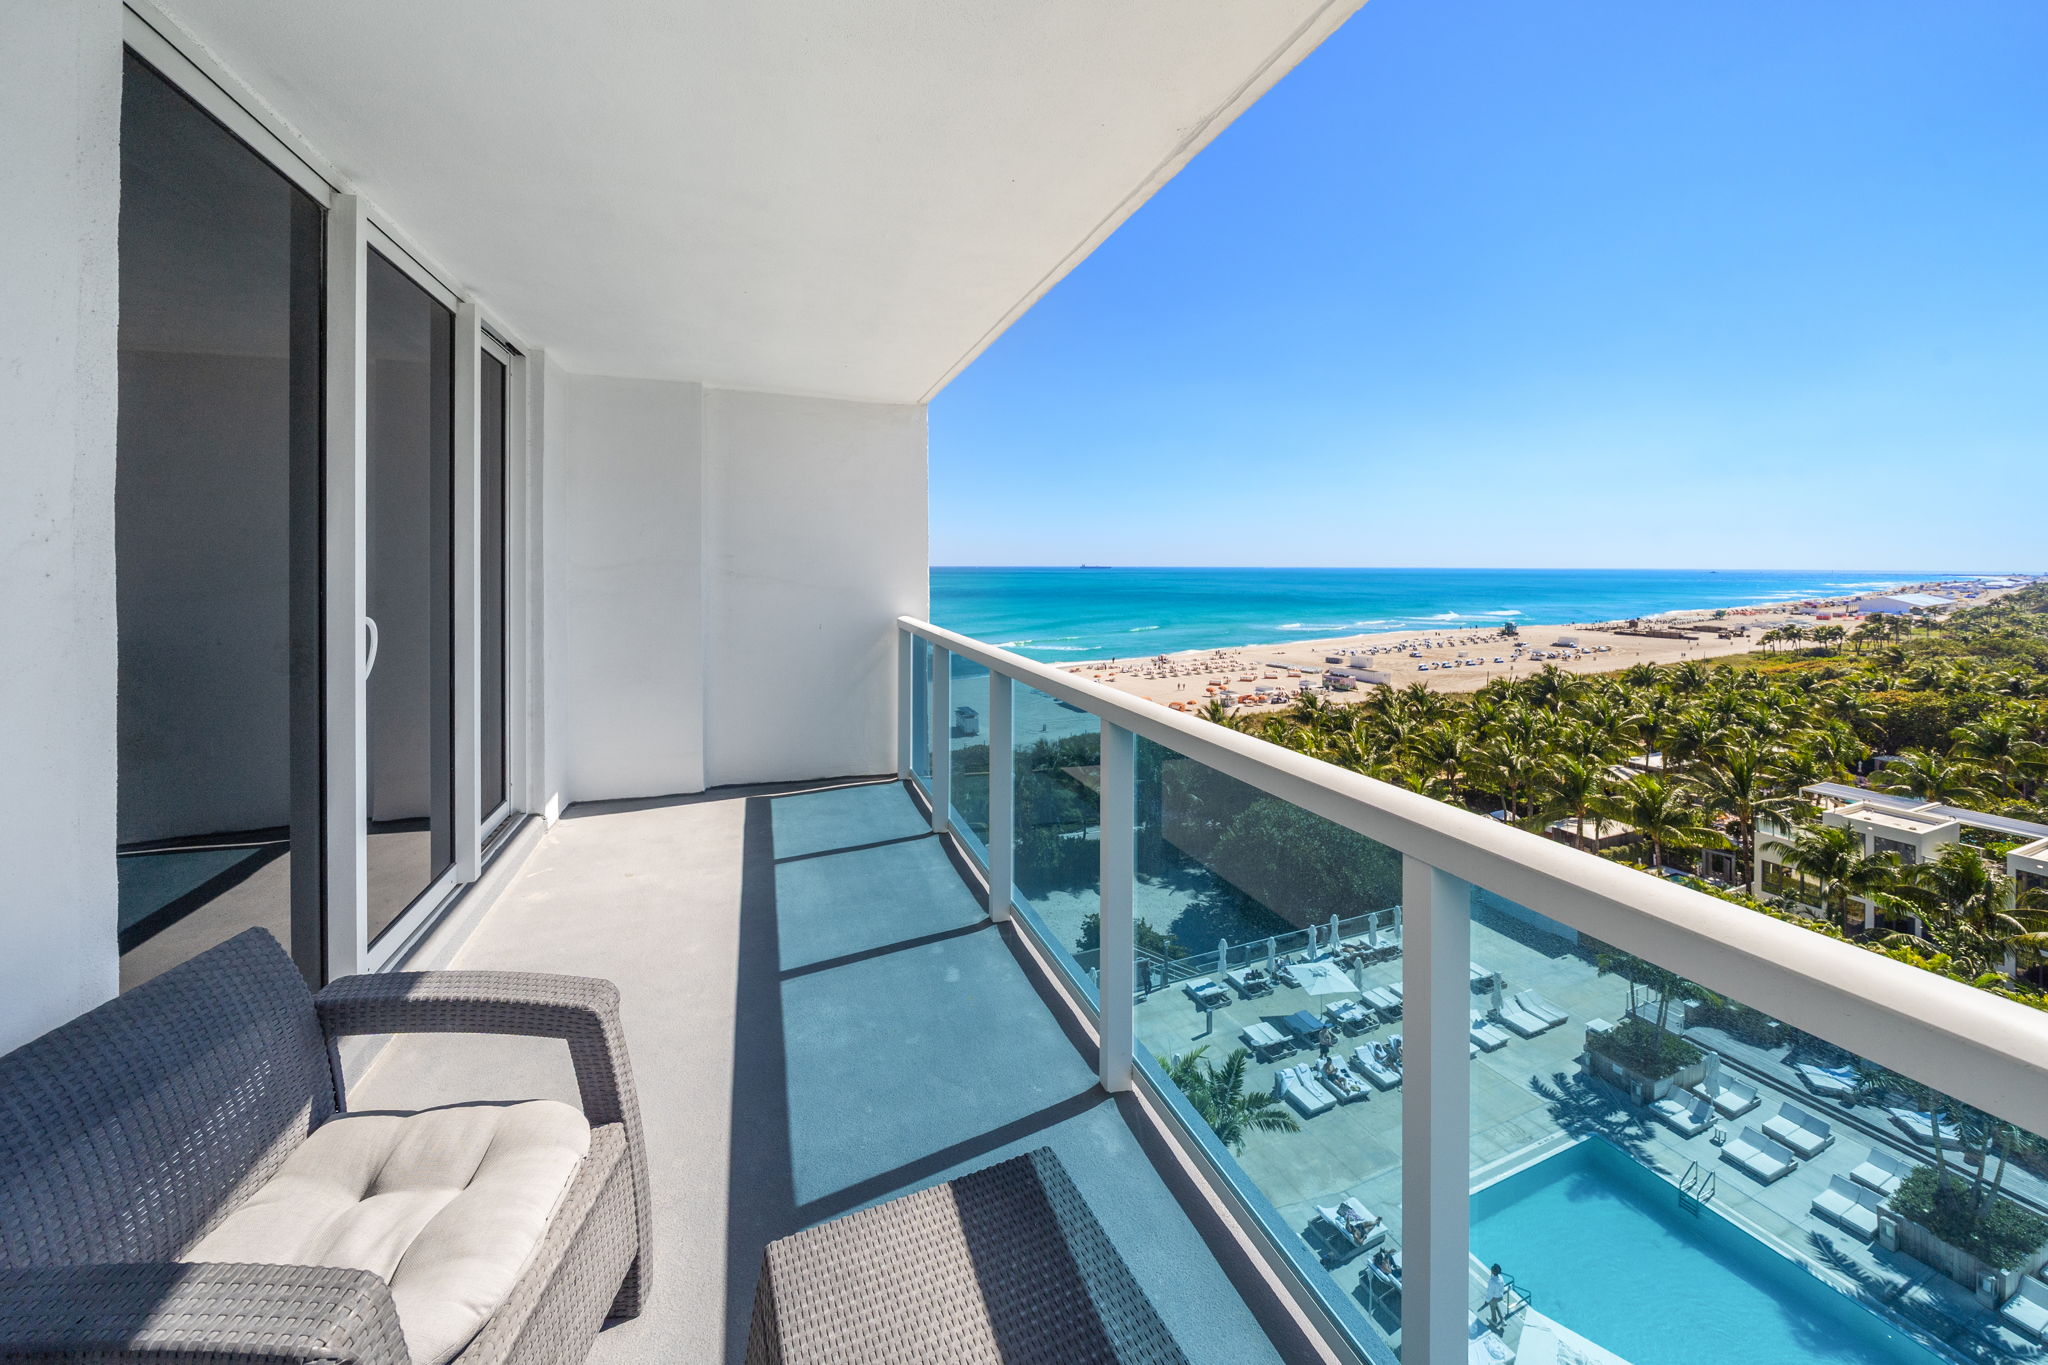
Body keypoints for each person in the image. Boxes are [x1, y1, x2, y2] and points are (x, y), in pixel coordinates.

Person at [1483, 1264, 1508, 1330]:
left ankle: (1494, 1320)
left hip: (1494, 1298)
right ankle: (1502, 1320)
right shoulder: (1501, 1277)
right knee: (1496, 1306)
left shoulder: (1492, 1281)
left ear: (1493, 1272)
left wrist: (1487, 1300)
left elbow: (1490, 1292)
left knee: (1492, 1308)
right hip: (1500, 1296)